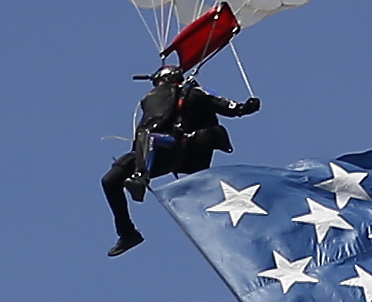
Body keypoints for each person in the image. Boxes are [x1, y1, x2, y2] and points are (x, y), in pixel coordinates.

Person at [98, 67, 259, 254]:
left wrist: (243, 108)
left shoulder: (192, 92)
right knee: (110, 180)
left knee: (147, 135)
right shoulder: (154, 100)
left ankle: (140, 177)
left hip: (179, 145)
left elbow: (221, 103)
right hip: (151, 152)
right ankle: (128, 233)